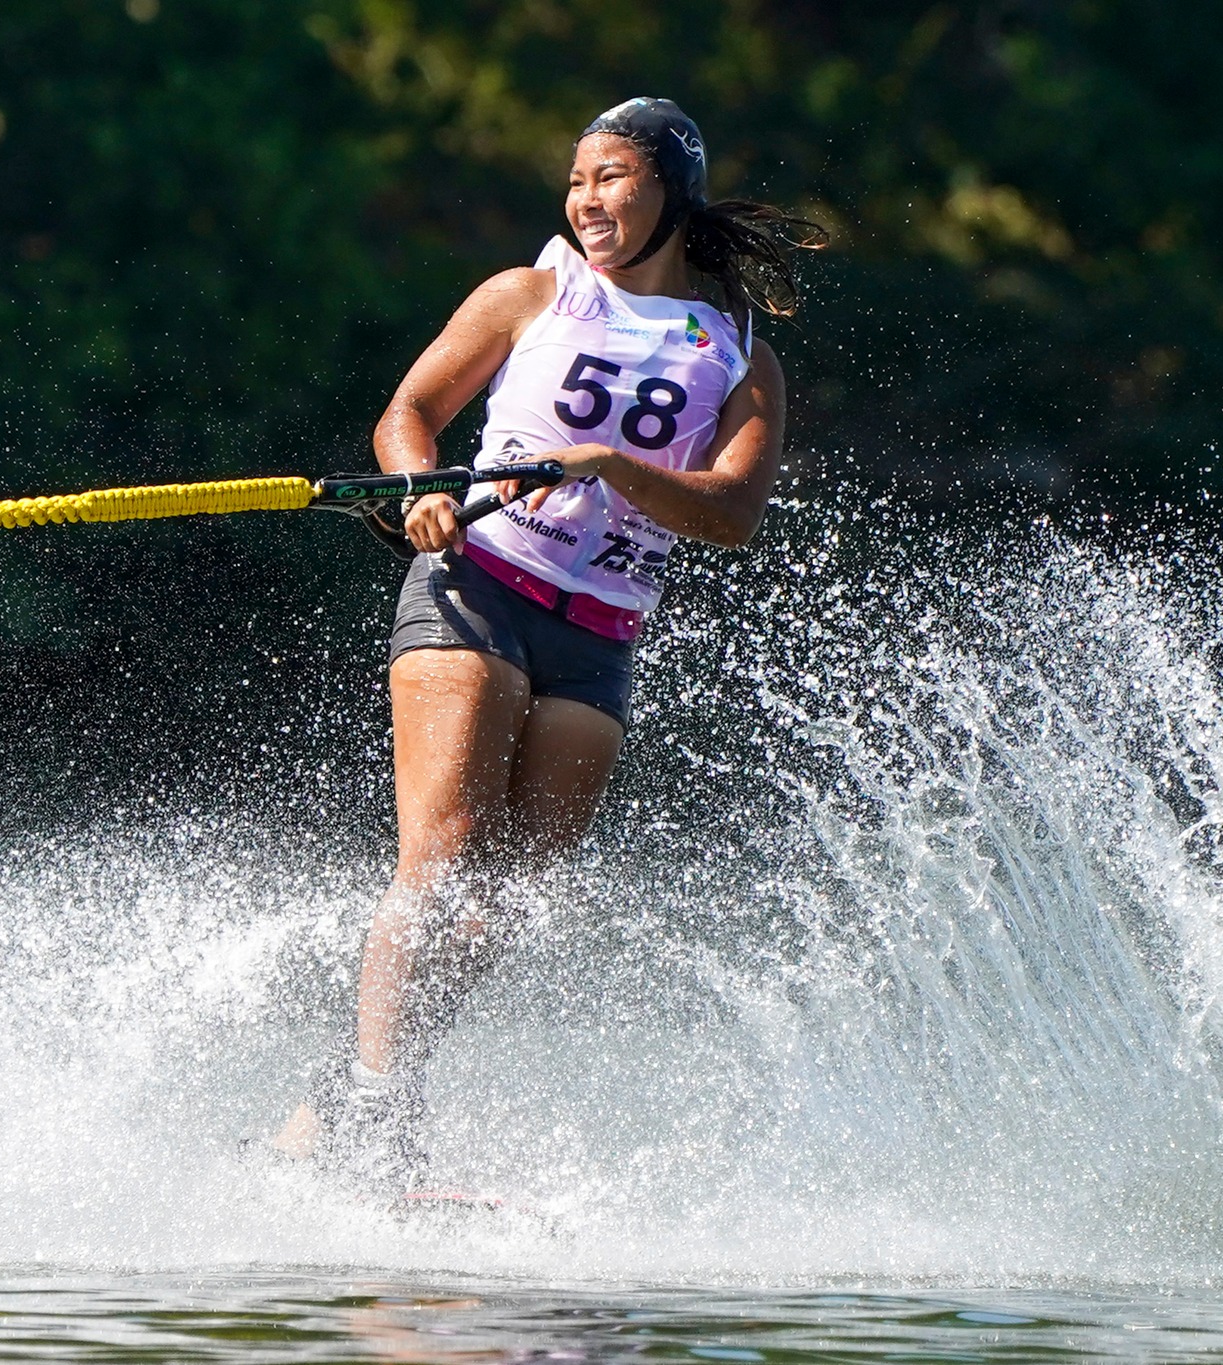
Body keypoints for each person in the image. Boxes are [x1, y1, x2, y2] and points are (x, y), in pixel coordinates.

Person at [270, 97, 823, 1189]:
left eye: (610, 177)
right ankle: (384, 1119)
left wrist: (611, 467)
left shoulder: (740, 356)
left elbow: (728, 513)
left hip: (599, 636)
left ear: (667, 188)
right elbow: (409, 412)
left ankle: (350, 1096)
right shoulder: (529, 294)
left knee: (509, 900)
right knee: (443, 851)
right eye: (576, 181)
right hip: (477, 584)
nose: (586, 199)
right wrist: (423, 488)